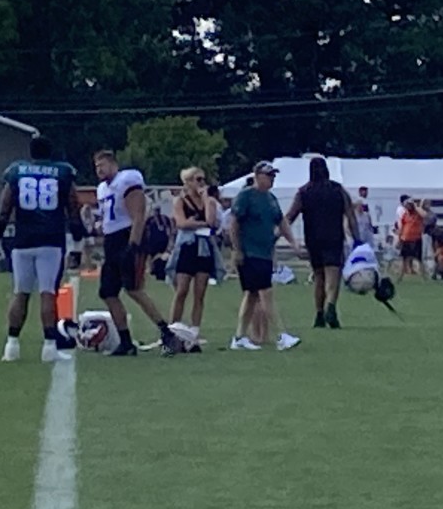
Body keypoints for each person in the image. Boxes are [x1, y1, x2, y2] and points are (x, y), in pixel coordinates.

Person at [0, 136, 77, 363]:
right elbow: (73, 207)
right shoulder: (63, 171)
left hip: (23, 240)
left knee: (20, 292)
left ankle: (11, 346)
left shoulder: (17, 171)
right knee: (47, 292)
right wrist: (78, 241)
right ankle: (49, 347)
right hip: (50, 240)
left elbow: (4, 208)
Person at [93, 150, 181, 356]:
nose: (99, 170)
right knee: (108, 292)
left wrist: (133, 245)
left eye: (102, 165)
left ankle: (166, 332)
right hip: (112, 241)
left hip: (128, 237)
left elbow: (138, 214)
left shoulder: (127, 179)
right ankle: (125, 342)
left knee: (134, 289)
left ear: (113, 164)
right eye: (96, 166)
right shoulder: (101, 189)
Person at [229, 161, 303, 351]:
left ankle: (239, 337)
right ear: (257, 176)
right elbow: (235, 223)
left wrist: (293, 242)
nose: (272, 179)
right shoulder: (246, 196)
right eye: (268, 175)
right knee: (265, 293)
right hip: (250, 252)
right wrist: (237, 249)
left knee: (252, 295)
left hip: (264, 253)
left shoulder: (270, 198)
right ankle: (281, 335)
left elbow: (281, 221)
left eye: (273, 176)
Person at [286, 157, 359, 329]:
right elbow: (351, 216)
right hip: (333, 238)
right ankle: (331, 305)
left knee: (319, 276)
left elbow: (290, 216)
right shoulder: (338, 190)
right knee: (333, 276)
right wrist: (357, 239)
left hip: (313, 239)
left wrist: (280, 236)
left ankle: (319, 314)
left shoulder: (303, 192)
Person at [169, 167, 218, 344]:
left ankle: (194, 331)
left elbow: (211, 222)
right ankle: (173, 328)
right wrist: (200, 224)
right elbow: (181, 223)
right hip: (187, 248)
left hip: (203, 248)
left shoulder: (209, 201)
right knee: (181, 290)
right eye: (197, 179)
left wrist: (205, 199)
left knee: (200, 293)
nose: (201, 183)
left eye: (203, 179)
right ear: (187, 182)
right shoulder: (180, 201)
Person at [394, 199, 426, 280]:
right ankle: (400, 277)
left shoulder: (417, 214)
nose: (407, 207)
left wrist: (416, 207)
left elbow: (424, 215)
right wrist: (399, 239)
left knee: (419, 259)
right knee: (405, 259)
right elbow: (402, 227)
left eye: (409, 205)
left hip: (416, 239)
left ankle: (424, 277)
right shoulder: (405, 215)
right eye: (406, 206)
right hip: (406, 239)